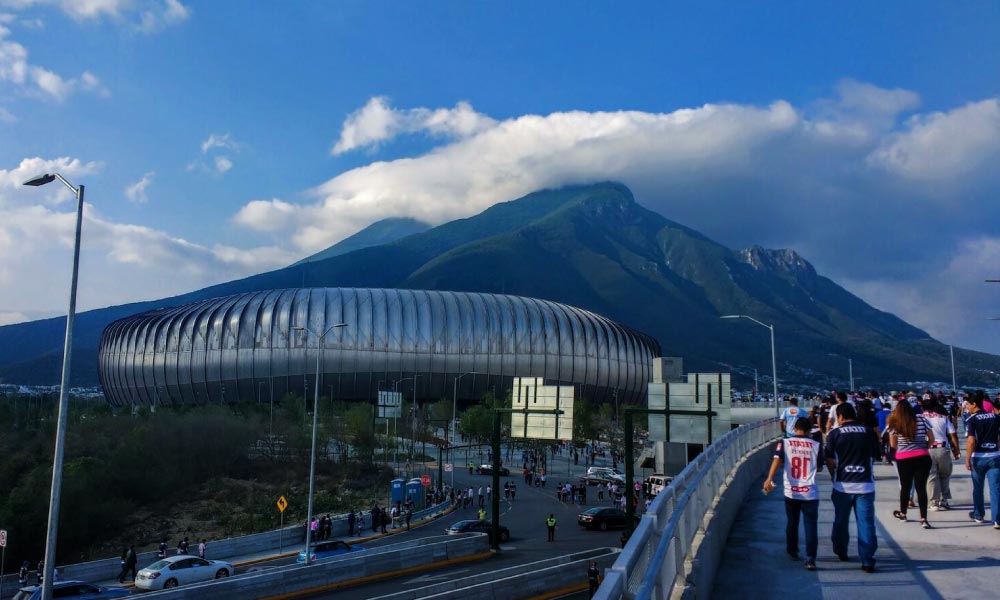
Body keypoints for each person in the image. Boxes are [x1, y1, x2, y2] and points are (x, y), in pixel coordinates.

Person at [825, 403, 880, 572]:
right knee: (866, 523)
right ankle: (867, 560)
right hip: (865, 485)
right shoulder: (868, 432)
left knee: (841, 521)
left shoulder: (834, 434)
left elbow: (829, 460)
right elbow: (876, 455)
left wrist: (833, 475)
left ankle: (841, 551)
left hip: (843, 485)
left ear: (840, 417)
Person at [763, 417, 822, 570]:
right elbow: (820, 467)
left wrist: (769, 479)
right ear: (809, 430)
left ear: (794, 429)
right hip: (810, 491)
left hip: (791, 491)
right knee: (810, 525)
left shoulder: (785, 443)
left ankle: (792, 550)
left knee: (792, 522)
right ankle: (810, 559)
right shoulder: (816, 445)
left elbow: (777, 460)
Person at [887, 399, 934, 527]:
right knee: (921, 488)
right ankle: (923, 518)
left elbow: (893, 444)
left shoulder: (894, 423)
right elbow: (932, 439)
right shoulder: (922, 419)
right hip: (922, 457)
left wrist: (904, 449)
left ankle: (903, 513)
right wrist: (924, 447)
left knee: (905, 487)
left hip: (904, 458)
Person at [963, 396, 1000, 527]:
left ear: (974, 404)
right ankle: (997, 519)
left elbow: (971, 441)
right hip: (994, 456)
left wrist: (967, 459)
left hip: (978, 457)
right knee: (995, 489)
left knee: (978, 488)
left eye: (968, 404)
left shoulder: (972, 420)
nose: (966, 406)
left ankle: (979, 515)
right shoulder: (995, 417)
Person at [922, 398, 960, 510]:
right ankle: (944, 499)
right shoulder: (943, 418)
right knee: (945, 474)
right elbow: (953, 435)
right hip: (943, 448)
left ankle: (934, 502)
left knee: (931, 476)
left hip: (928, 449)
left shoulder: (920, 418)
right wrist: (956, 449)